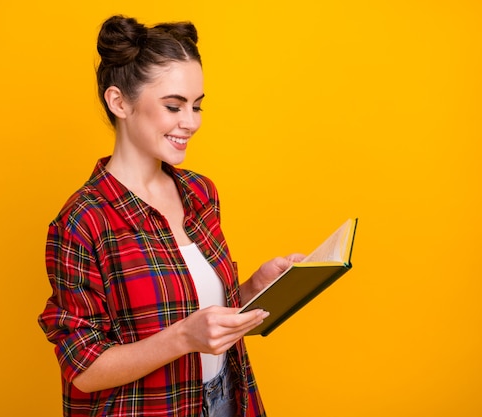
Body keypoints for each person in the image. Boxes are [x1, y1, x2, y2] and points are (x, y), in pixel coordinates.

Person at [38, 15, 304, 417]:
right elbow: (84, 367)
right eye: (173, 106)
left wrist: (254, 288)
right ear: (119, 102)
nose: (191, 122)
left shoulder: (200, 193)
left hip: (227, 398)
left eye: (196, 106)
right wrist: (182, 338)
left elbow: (206, 315)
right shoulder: (84, 220)